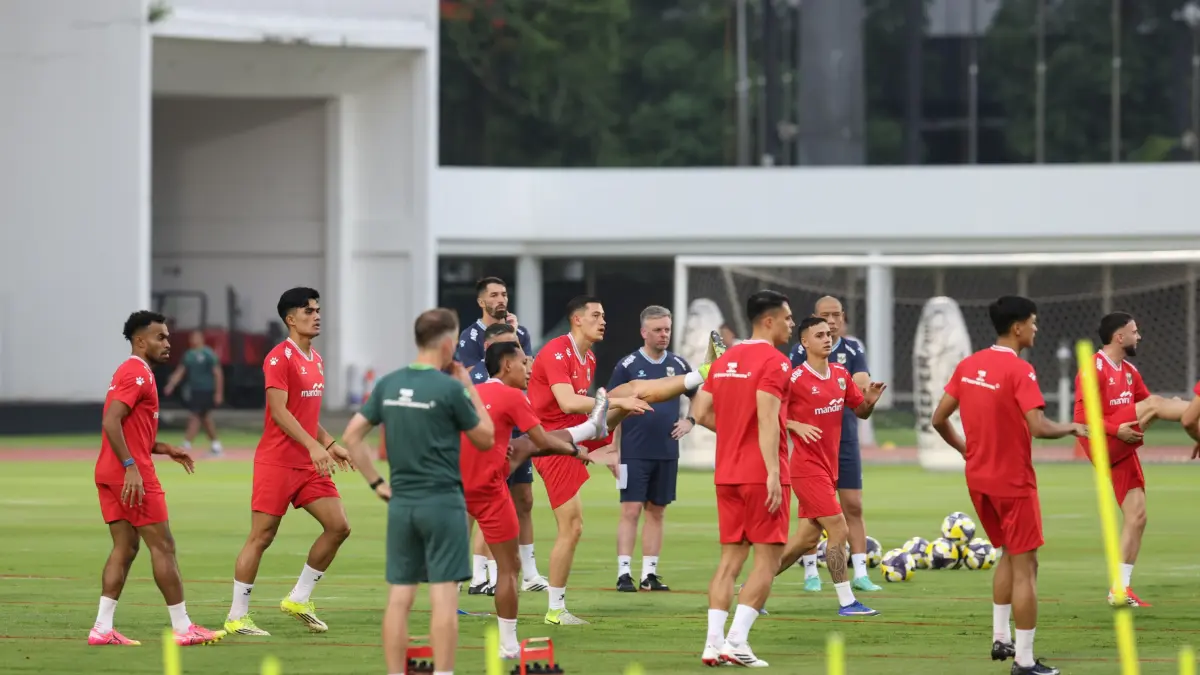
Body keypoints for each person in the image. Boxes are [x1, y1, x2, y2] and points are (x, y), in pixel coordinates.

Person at [527, 295, 711, 625]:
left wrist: (613, 426)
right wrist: (619, 402)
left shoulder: (588, 358)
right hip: (553, 441)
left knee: (635, 389)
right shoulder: (557, 350)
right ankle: (554, 610)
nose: (603, 321)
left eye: (604, 315)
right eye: (596, 315)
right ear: (576, 320)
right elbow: (568, 403)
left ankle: (702, 373)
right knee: (572, 526)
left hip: (577, 433)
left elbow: (594, 411)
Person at [931, 295, 1086, 675]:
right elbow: (1039, 427)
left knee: (1008, 554)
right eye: (1033, 322)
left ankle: (1001, 637)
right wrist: (1072, 427)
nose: (1036, 329)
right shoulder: (1020, 370)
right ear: (1017, 328)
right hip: (1013, 482)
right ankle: (1025, 661)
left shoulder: (969, 364)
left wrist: (968, 451)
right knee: (1027, 566)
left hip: (979, 479)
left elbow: (939, 418)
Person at [338, 308, 495, 675]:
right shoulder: (449, 388)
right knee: (442, 595)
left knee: (400, 596)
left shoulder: (389, 384)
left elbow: (351, 436)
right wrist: (469, 386)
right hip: (442, 503)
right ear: (445, 344)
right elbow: (486, 439)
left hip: (402, 504)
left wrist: (377, 483)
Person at [224, 287, 355, 637]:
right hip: (277, 462)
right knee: (262, 536)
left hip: (309, 462)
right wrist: (315, 447)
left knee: (339, 526)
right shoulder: (279, 357)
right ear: (290, 318)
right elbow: (279, 412)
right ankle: (237, 616)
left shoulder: (316, 359)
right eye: (308, 310)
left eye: (317, 309)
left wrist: (329, 444)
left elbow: (305, 414)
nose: (316, 315)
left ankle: (299, 598)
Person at [463, 340, 606, 659]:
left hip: (454, 488)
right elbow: (542, 439)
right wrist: (574, 450)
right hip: (490, 490)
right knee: (509, 568)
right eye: (524, 362)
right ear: (506, 365)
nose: (529, 369)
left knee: (443, 571)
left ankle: (438, 630)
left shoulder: (468, 394)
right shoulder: (512, 396)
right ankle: (509, 644)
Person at [90, 311, 224, 647]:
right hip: (130, 475)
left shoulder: (135, 373)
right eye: (160, 337)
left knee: (125, 547)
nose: (168, 343)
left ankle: (102, 629)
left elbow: (132, 430)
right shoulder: (137, 373)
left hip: (110, 473)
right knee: (164, 546)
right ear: (140, 341)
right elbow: (111, 421)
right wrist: (131, 465)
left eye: (167, 336)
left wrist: (164, 448)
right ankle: (183, 628)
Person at [688, 290, 794, 668]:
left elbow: (699, 411)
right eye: (787, 318)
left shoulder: (725, 358)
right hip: (760, 475)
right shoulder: (776, 362)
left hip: (727, 474)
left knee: (730, 561)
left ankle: (712, 644)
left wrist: (735, 432)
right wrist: (773, 472)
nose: (792, 324)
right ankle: (737, 640)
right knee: (768, 561)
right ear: (769, 321)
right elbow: (768, 418)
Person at [1072, 311, 1188, 607]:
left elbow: (1151, 407)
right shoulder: (1094, 367)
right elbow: (1081, 419)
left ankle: (1120, 590)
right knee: (1160, 403)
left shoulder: (1129, 371)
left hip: (1122, 445)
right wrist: (1116, 430)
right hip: (1102, 441)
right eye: (1135, 331)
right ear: (1118, 336)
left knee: (1137, 517)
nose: (1140, 336)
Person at [776, 316, 885, 617]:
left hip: (829, 467)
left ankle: (751, 590)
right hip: (806, 467)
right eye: (819, 334)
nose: (827, 338)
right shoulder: (795, 379)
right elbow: (771, 414)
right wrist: (795, 425)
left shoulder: (839, 373)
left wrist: (871, 401)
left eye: (829, 334)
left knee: (804, 541)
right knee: (838, 528)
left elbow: (860, 412)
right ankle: (847, 601)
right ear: (805, 343)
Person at [608, 305, 695, 593]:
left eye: (667, 329)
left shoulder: (680, 365)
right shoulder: (628, 365)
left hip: (667, 451)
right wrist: (613, 448)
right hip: (633, 451)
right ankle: (623, 574)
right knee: (630, 509)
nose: (663, 334)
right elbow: (611, 404)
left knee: (657, 511)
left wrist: (690, 420)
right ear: (644, 332)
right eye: (657, 330)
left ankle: (649, 575)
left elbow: (700, 395)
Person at [465, 322, 549, 594]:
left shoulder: (518, 380)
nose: (520, 352)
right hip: (488, 453)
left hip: (514, 440)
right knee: (486, 505)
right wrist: (576, 445)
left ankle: (527, 573)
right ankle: (481, 574)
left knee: (522, 501)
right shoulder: (473, 378)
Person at [164, 330, 225, 456]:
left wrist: (219, 392)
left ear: (202, 339)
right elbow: (181, 371)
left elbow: (218, 374)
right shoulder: (189, 355)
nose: (193, 340)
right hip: (194, 390)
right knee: (204, 417)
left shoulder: (208, 353)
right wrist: (171, 384)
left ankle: (186, 443)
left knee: (195, 415)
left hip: (206, 389)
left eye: (196, 337)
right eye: (192, 338)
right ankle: (216, 444)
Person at [458, 276, 535, 369]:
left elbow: (529, 370)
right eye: (494, 295)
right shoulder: (470, 336)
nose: (501, 300)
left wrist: (513, 337)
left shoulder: (520, 332)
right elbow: (471, 375)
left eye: (504, 295)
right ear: (481, 302)